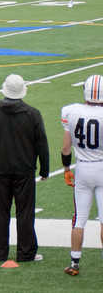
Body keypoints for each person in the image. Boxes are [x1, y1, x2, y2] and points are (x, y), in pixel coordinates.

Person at [0, 74, 49, 263]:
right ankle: (26, 252)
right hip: (25, 170)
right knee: (25, 212)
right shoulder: (32, 114)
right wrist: (44, 169)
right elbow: (42, 144)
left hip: (0, 169)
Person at [61, 73, 103, 276]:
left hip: (83, 168)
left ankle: (74, 262)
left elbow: (66, 147)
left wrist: (66, 169)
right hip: (102, 166)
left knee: (79, 218)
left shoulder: (71, 111)